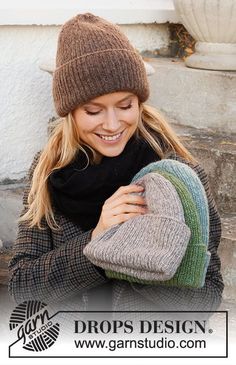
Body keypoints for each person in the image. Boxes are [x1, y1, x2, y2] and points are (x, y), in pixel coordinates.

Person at [8, 13, 223, 313]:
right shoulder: (48, 171)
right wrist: (97, 241)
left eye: (125, 106)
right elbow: (22, 286)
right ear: (70, 113)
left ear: (139, 102)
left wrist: (142, 256)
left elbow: (208, 297)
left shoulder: (180, 175)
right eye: (93, 111)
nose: (112, 124)